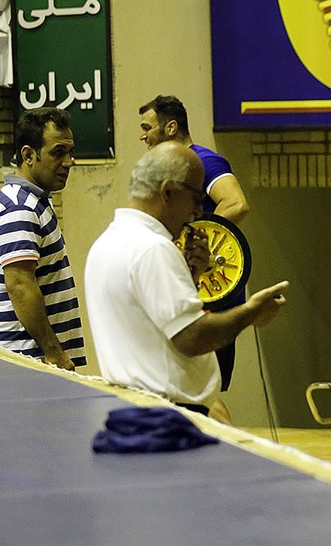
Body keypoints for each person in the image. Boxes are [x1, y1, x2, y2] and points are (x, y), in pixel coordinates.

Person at [84, 142, 288, 418]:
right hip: (166, 415)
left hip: (134, 407)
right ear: (168, 191)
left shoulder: (107, 242)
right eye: (195, 197)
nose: (197, 212)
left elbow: (149, 325)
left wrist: (190, 278)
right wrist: (251, 312)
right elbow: (192, 337)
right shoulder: (153, 248)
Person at [139, 95, 249, 390]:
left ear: (171, 127)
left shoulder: (204, 162)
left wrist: (191, 242)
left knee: (204, 392)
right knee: (182, 388)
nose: (142, 136)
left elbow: (236, 203)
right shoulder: (173, 169)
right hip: (185, 292)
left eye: (147, 127)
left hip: (211, 295)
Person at [0, 107, 86, 370]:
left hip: (28, 362)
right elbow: (20, 285)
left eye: (70, 152)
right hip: (25, 362)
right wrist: (54, 352)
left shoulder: (33, 202)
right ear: (28, 155)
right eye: (58, 152)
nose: (68, 162)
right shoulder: (19, 208)